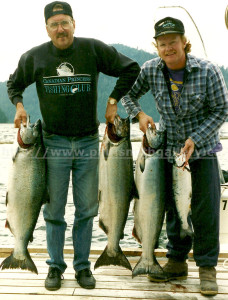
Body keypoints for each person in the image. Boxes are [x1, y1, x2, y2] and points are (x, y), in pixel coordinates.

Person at [7, 1, 140, 291]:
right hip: (51, 143)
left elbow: (131, 69)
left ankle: (82, 268)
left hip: (89, 143)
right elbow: (14, 83)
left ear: (73, 24)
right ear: (47, 28)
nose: (60, 29)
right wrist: (18, 106)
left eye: (64, 22)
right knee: (53, 211)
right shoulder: (35, 57)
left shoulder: (92, 49)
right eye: (54, 24)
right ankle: (55, 267)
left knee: (87, 209)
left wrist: (113, 101)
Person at [121, 16, 228, 296]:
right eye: (162, 43)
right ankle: (177, 261)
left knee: (205, 213)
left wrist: (195, 139)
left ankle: (207, 269)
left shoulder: (208, 71)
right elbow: (127, 97)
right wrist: (140, 115)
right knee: (171, 209)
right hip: (167, 152)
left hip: (202, 153)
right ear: (156, 46)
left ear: (184, 42)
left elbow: (222, 111)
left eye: (173, 42)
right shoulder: (150, 70)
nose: (168, 48)